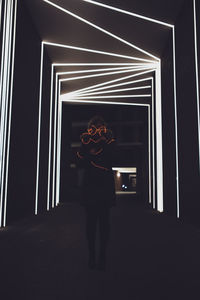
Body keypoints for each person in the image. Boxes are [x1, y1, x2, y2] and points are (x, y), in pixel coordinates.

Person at [76, 115, 116, 271]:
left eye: (100, 127)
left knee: (104, 224)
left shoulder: (109, 139)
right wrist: (93, 155)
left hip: (104, 188)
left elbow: (113, 158)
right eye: (94, 127)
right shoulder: (85, 141)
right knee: (91, 225)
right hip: (91, 188)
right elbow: (79, 161)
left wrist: (95, 153)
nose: (97, 131)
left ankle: (102, 256)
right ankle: (92, 256)